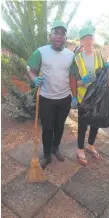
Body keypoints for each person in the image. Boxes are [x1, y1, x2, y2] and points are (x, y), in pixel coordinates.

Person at [27, 20, 78, 168]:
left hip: (64, 99)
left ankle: (56, 148)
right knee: (48, 128)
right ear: (50, 35)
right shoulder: (41, 51)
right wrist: (34, 78)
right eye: (56, 33)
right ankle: (47, 154)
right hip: (46, 98)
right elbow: (30, 70)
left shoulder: (70, 56)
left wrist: (74, 96)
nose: (59, 36)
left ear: (65, 39)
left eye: (62, 34)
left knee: (60, 126)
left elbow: (73, 77)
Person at [73, 27, 109, 166]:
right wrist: (81, 82)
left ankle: (91, 145)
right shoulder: (76, 59)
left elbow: (103, 75)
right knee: (83, 125)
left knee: (95, 122)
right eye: (85, 38)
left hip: (97, 96)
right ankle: (80, 149)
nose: (89, 40)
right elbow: (72, 82)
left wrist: (108, 68)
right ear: (81, 41)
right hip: (83, 98)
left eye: (91, 37)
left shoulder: (99, 55)